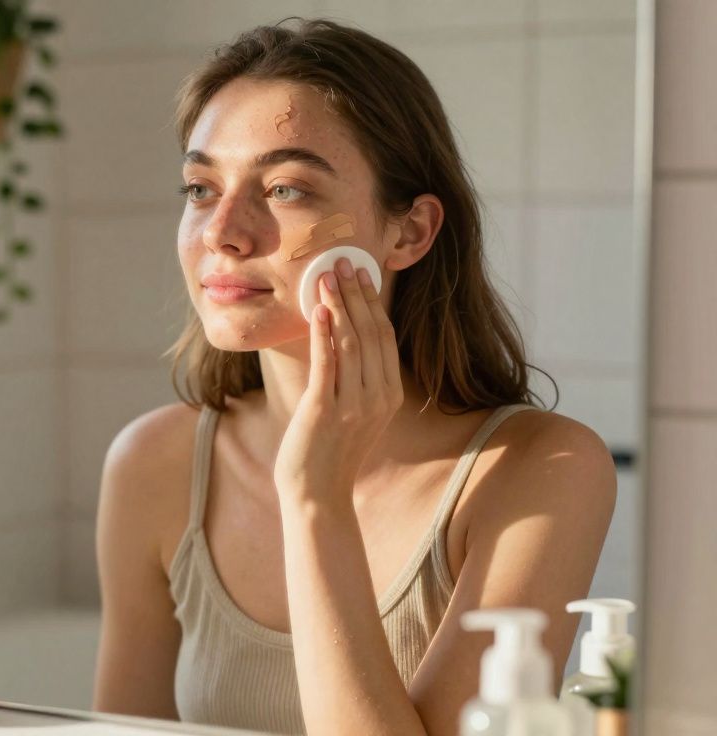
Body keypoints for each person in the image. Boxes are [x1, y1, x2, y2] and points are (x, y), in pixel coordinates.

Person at [93, 19, 616, 735]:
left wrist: (315, 499)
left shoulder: (540, 471)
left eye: (284, 189)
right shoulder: (152, 466)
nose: (222, 231)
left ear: (409, 233)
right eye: (200, 187)